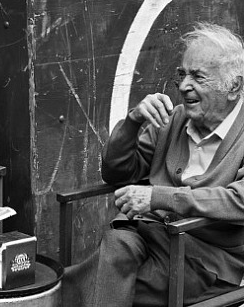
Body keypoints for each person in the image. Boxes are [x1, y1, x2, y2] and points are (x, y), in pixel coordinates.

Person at [62, 22, 244, 306]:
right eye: (182, 74)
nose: (184, 86)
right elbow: (116, 172)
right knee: (117, 244)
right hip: (148, 236)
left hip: (205, 259)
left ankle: (51, 292)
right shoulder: (172, 119)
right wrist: (133, 122)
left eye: (198, 77)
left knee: (100, 285)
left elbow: (239, 201)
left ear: (233, 86)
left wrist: (158, 197)